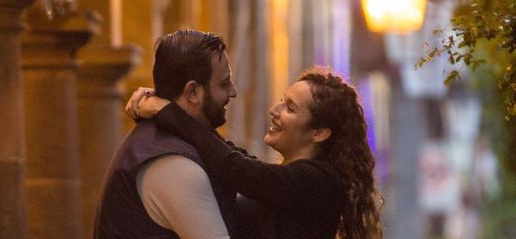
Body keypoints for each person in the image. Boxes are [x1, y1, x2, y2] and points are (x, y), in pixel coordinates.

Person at [127, 66, 384, 239]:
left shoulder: (319, 181)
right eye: (283, 100)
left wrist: (169, 113)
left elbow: (237, 168)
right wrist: (175, 111)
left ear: (319, 132)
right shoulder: (294, 177)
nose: (275, 109)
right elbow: (232, 155)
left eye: (290, 108)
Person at [93, 30, 239, 239]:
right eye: (224, 83)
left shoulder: (172, 139)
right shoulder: (175, 164)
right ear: (192, 93)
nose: (233, 91)